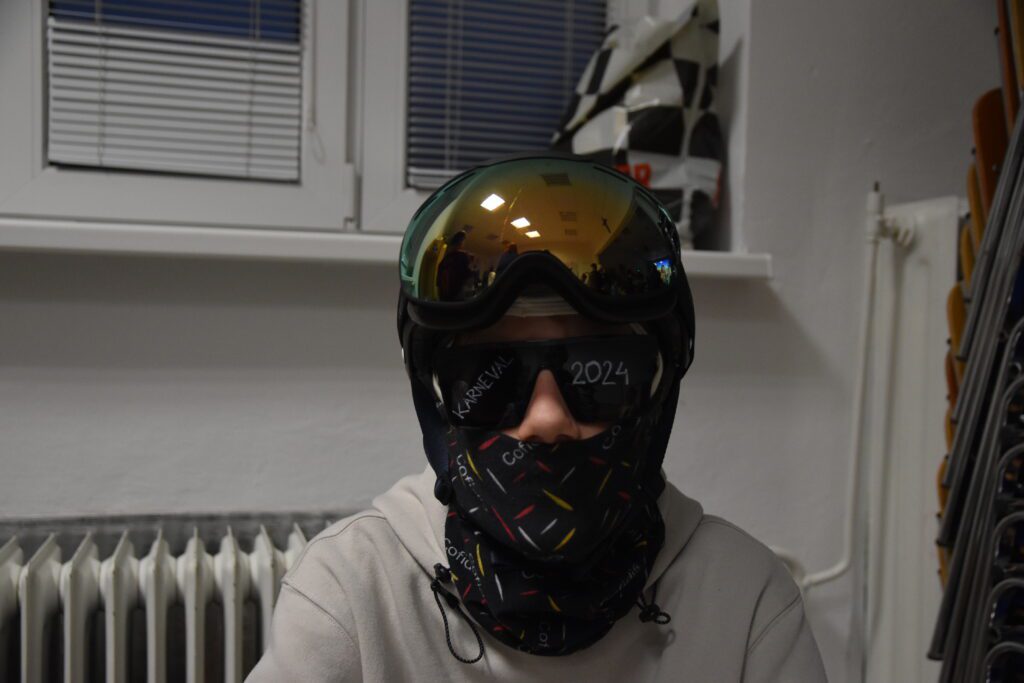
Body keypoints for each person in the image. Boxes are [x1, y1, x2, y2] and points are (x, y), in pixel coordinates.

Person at [246, 154, 827, 682]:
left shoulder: (745, 602)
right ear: (435, 394)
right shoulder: (352, 593)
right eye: (493, 377)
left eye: (596, 373)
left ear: (659, 385)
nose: (547, 420)